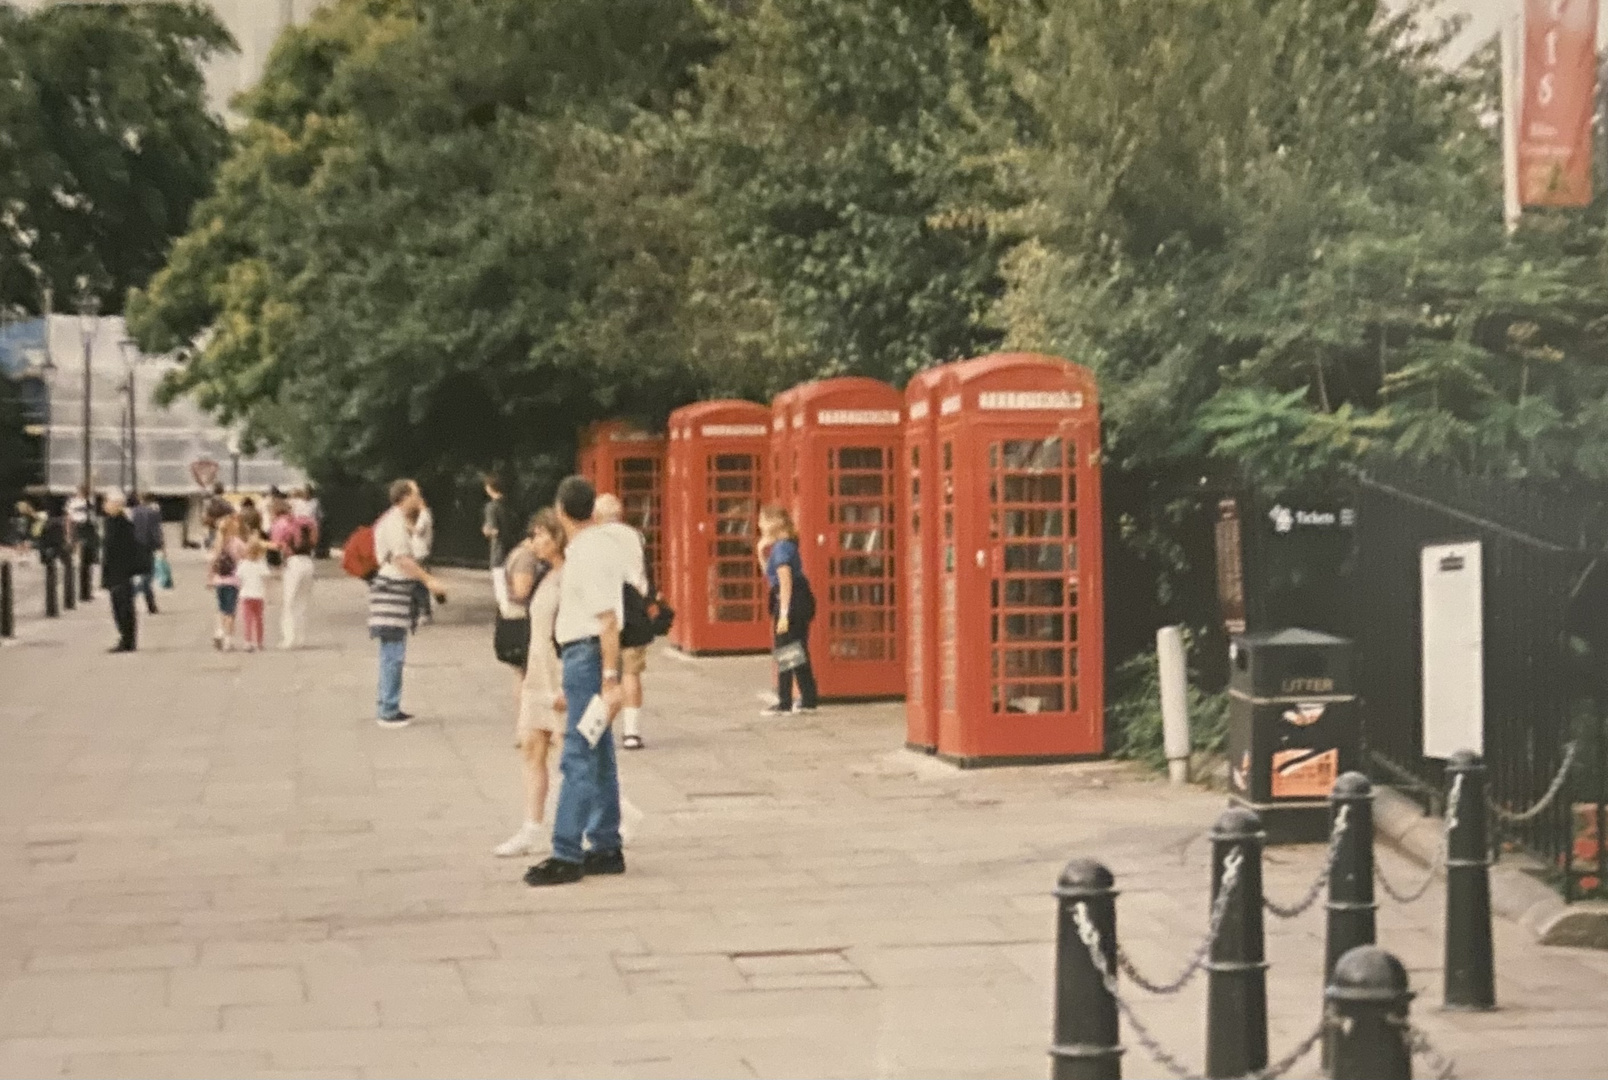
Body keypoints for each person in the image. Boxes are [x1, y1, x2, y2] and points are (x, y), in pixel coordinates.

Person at [524, 475, 626, 887]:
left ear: (563, 510)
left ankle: (566, 852)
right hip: (585, 657)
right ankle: (605, 844)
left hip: (587, 657)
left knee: (577, 755)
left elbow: (607, 620)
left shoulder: (584, 553)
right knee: (598, 749)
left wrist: (609, 676)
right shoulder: (605, 544)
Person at [495, 510, 567, 858]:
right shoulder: (544, 574)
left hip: (560, 675)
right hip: (537, 672)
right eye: (534, 534)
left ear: (559, 538)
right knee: (531, 748)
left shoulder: (569, 577)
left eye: (542, 535)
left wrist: (570, 683)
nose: (535, 541)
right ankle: (532, 829)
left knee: (575, 757)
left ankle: (613, 818)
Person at [368, 479, 449, 728]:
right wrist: (429, 580)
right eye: (416, 494)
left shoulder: (396, 521)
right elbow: (403, 560)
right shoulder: (393, 523)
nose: (419, 498)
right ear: (405, 497)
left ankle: (389, 704)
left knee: (392, 651)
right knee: (393, 653)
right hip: (391, 591)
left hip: (395, 591)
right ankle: (388, 709)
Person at [593, 493, 650, 751]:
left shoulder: (593, 538)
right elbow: (642, 574)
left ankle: (597, 729)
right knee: (631, 672)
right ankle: (632, 732)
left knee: (603, 672)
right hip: (633, 606)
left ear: (597, 516)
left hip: (604, 609)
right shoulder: (635, 535)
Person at [758, 504, 819, 715]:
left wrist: (783, 614)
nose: (759, 524)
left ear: (773, 523)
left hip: (791, 601)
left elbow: (784, 582)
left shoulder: (782, 548)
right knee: (797, 649)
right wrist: (760, 551)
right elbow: (770, 575)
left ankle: (784, 702)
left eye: (763, 520)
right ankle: (809, 698)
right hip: (800, 600)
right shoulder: (783, 545)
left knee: (785, 649)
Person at [270, 497, 318, 649]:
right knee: (302, 602)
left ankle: (289, 639)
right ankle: (301, 637)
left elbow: (278, 545)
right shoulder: (305, 522)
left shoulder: (280, 524)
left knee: (289, 602)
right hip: (308, 561)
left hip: (292, 563)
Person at [99, 492, 140, 653]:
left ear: (116, 505)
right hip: (114, 572)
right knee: (118, 607)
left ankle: (127, 639)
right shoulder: (112, 521)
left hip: (121, 572)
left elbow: (121, 548)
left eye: (107, 502)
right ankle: (125, 637)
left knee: (124, 607)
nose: (104, 506)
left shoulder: (122, 523)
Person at [209, 515, 245, 651]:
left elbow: (212, 561)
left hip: (219, 581)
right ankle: (228, 640)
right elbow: (246, 554)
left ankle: (219, 631)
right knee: (231, 612)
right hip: (233, 580)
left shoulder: (216, 543)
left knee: (222, 609)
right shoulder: (236, 542)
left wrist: (210, 578)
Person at [129, 492, 164, 615]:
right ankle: (150, 604)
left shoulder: (130, 513)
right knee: (147, 575)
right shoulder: (152, 513)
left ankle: (131, 599)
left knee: (135, 575)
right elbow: (156, 531)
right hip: (147, 547)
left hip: (133, 547)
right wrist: (160, 546)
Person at [236, 537, 270, 652]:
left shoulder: (243, 564)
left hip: (246, 595)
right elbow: (266, 577)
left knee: (247, 620)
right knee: (259, 620)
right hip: (258, 595)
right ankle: (259, 642)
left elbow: (239, 577)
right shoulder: (261, 564)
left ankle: (248, 641)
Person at [409, 496, 435, 629]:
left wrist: (408, 525)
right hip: (420, 552)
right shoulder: (425, 515)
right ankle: (421, 612)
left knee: (418, 584)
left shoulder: (424, 515)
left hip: (420, 553)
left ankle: (423, 612)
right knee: (419, 583)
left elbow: (418, 531)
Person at [482, 474, 513, 569]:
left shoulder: (491, 507)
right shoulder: (509, 504)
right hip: (512, 549)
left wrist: (486, 530)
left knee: (499, 581)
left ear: (489, 488)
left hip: (499, 551)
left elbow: (494, 531)